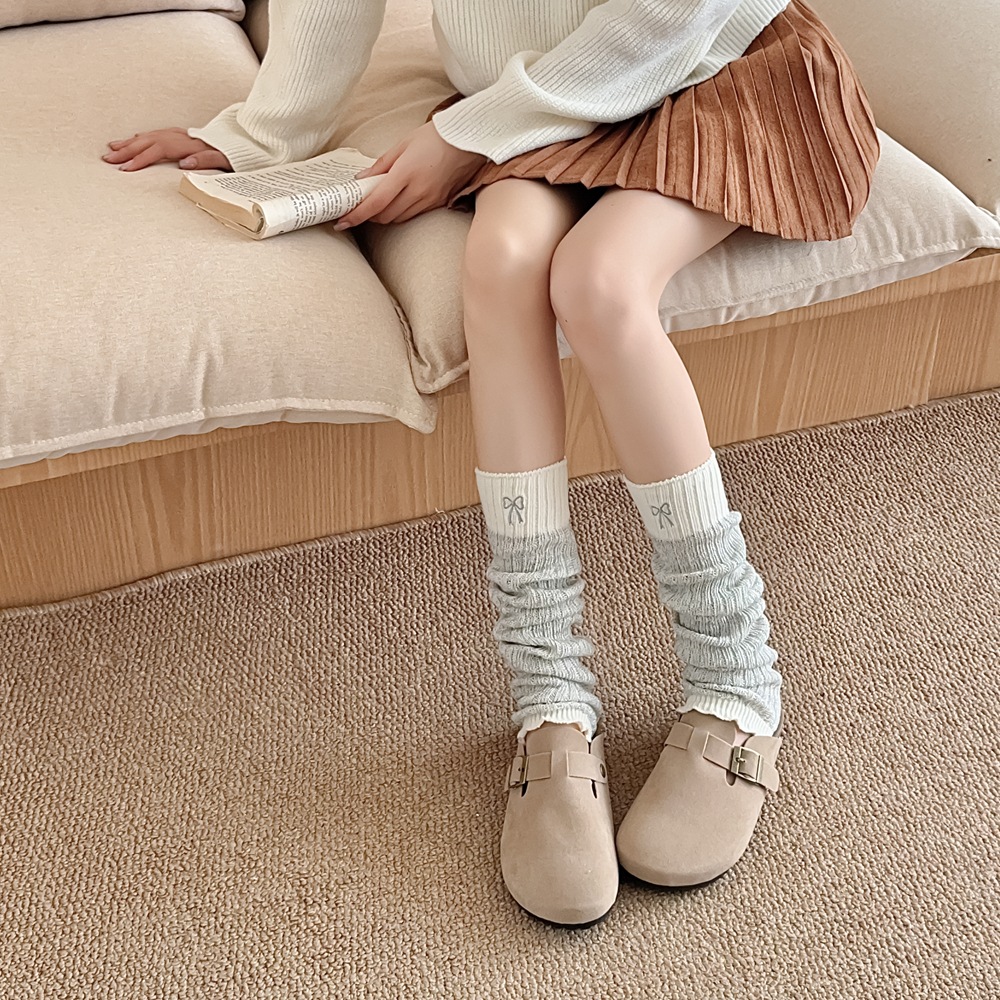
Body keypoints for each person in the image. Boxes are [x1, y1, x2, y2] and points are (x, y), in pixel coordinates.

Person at [102, 0, 879, 929]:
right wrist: (261, 135)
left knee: (598, 283)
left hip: (708, 66)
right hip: (536, 95)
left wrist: (462, 134)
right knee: (502, 260)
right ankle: (549, 695)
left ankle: (736, 679)